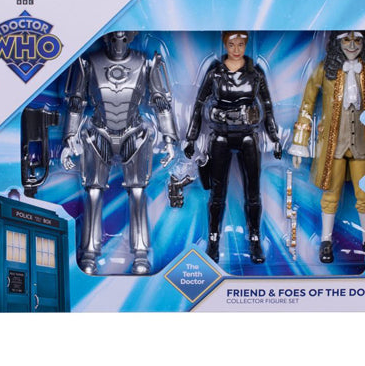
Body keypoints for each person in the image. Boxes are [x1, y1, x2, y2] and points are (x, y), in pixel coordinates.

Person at [60, 31, 178, 275]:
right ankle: (89, 254)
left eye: (123, 38)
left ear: (131, 37)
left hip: (134, 132)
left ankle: (141, 254)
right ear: (106, 38)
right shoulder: (89, 63)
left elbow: (161, 102)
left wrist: (169, 138)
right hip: (98, 131)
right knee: (93, 192)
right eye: (114, 38)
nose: (118, 43)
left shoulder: (145, 62)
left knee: (137, 192)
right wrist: (70, 138)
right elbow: (76, 102)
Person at [184, 31, 282, 264]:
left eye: (240, 44)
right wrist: (191, 137)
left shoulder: (255, 73)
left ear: (246, 45)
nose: (236, 49)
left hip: (249, 134)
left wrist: (274, 137)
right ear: (225, 44)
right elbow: (199, 103)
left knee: (253, 191)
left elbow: (267, 105)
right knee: (217, 193)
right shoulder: (216, 73)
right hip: (221, 134)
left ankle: (255, 239)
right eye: (231, 44)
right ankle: (213, 239)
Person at [289, 31, 365, 263]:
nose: (352, 45)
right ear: (337, 42)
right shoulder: (325, 69)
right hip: (332, 147)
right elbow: (307, 104)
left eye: (357, 40)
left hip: (364, 144)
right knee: (330, 193)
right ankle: (326, 241)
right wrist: (300, 142)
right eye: (346, 40)